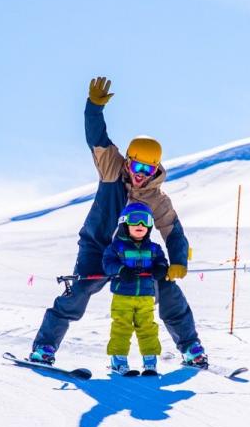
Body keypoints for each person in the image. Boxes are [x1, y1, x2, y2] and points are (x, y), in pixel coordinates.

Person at [29, 76, 208, 368]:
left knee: (168, 289)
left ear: (155, 171)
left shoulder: (157, 200)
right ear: (128, 161)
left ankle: (191, 348)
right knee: (80, 290)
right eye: (136, 166)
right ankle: (44, 347)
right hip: (99, 248)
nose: (140, 174)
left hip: (139, 256)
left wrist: (177, 260)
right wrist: (93, 109)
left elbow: (173, 232)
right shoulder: (112, 167)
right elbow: (96, 138)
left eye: (147, 170)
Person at [102, 202, 169, 374]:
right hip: (122, 295)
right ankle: (118, 359)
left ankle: (150, 360)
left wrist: (160, 268)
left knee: (147, 327)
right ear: (125, 223)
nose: (140, 225)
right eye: (135, 220)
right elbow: (107, 264)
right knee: (122, 326)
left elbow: (161, 261)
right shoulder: (117, 247)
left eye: (145, 220)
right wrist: (121, 270)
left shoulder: (154, 248)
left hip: (146, 296)